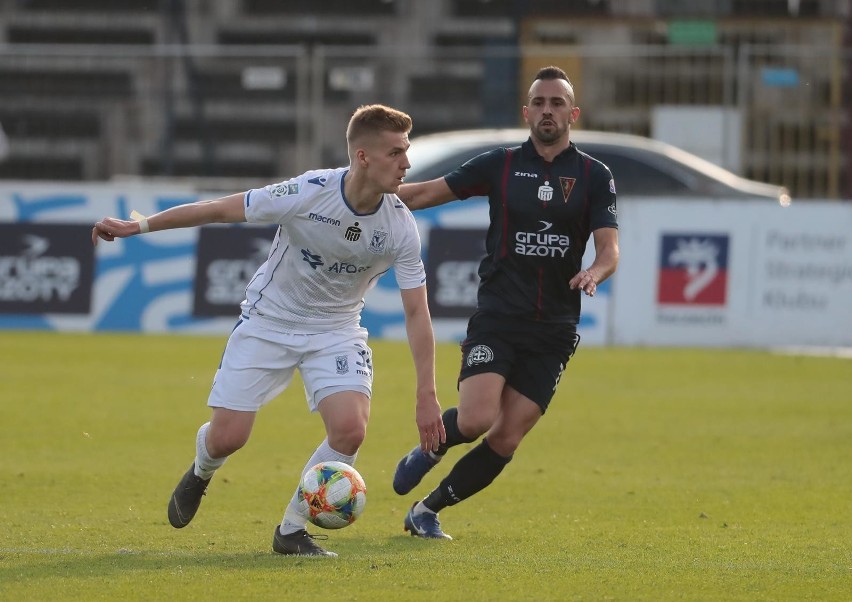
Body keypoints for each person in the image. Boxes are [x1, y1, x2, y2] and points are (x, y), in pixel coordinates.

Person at [92, 104, 446, 557]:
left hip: (336, 330)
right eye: (396, 152)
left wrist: (426, 393)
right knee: (228, 437)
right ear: (363, 157)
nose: (407, 164)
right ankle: (201, 469)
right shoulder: (308, 191)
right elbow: (220, 209)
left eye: (407, 151)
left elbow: (417, 312)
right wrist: (139, 225)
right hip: (269, 321)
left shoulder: (399, 226)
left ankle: (293, 530)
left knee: (350, 430)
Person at [391, 66, 620, 539]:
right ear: (526, 112)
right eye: (539, 102)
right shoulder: (500, 164)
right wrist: (361, 192)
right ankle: (431, 448)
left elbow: (609, 247)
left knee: (507, 435)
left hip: (555, 328)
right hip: (499, 315)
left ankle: (425, 511)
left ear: (573, 113)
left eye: (557, 103)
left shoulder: (594, 175)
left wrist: (595, 271)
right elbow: (427, 192)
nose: (547, 110)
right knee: (475, 419)